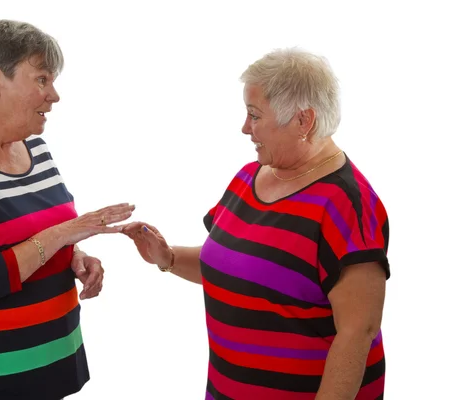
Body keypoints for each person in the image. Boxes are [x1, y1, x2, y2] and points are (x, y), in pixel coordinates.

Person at [122, 48, 390, 399]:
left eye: (254, 115)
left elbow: (358, 332)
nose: (245, 128)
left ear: (303, 121)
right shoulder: (250, 177)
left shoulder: (347, 206)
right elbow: (238, 269)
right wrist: (168, 258)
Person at [0, 20, 134, 400]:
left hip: (56, 363)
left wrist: (75, 255)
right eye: (42, 80)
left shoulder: (36, 150)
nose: (55, 96)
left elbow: (38, 235)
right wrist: (65, 234)